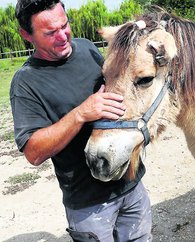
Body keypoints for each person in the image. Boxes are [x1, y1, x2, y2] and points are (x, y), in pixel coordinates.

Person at [10, 0, 152, 241]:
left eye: (64, 25)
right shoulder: (26, 83)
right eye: (50, 32)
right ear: (26, 35)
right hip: (89, 205)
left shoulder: (87, 47)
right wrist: (80, 114)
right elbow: (33, 152)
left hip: (132, 186)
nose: (63, 36)